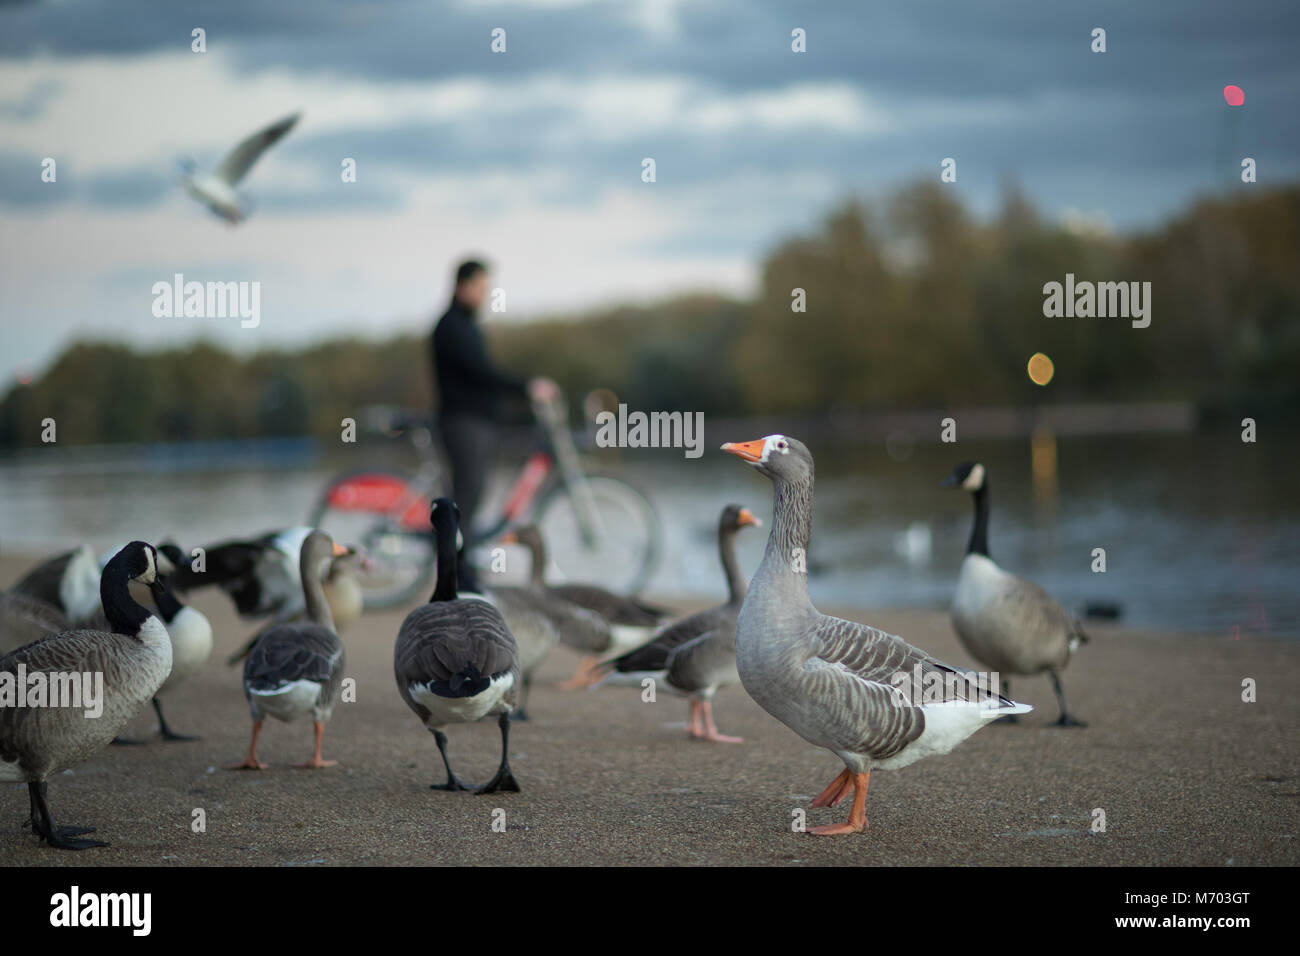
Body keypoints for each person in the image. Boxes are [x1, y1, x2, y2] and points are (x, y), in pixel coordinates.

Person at [430, 259, 558, 533]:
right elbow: (481, 373)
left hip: (476, 422)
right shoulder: (453, 326)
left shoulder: (465, 325)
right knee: (465, 501)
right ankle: (458, 572)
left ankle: (464, 566)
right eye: (480, 287)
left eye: (487, 288)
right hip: (464, 422)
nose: (485, 294)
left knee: (471, 500)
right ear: (462, 286)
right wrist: (526, 387)